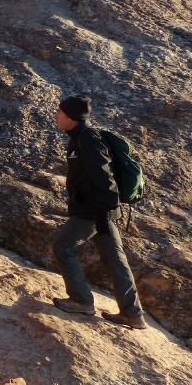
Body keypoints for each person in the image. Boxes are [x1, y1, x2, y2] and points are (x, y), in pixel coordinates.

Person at [51, 96, 147, 329]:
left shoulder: (88, 140)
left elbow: (105, 180)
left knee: (62, 248)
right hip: (100, 210)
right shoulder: (80, 137)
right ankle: (133, 314)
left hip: (93, 211)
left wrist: (104, 213)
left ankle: (82, 300)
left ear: (71, 118)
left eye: (59, 113)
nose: (56, 116)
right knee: (115, 260)